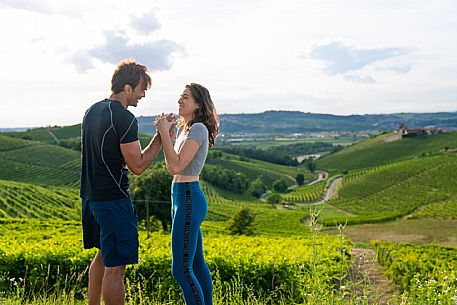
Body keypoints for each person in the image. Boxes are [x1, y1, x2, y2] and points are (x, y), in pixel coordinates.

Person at [80, 59, 163, 305]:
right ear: (127, 88)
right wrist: (161, 138)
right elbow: (137, 165)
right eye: (141, 88)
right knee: (116, 268)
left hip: (90, 197)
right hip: (113, 201)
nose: (143, 94)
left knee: (103, 256)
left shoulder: (92, 110)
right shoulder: (125, 118)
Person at [155, 83, 219, 305]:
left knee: (181, 270)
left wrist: (163, 133)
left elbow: (176, 167)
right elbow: (171, 165)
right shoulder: (185, 129)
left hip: (189, 198)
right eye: (180, 97)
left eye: (185, 98)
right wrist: (168, 136)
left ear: (198, 104)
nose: (179, 101)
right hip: (180, 196)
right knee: (197, 264)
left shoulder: (199, 128)